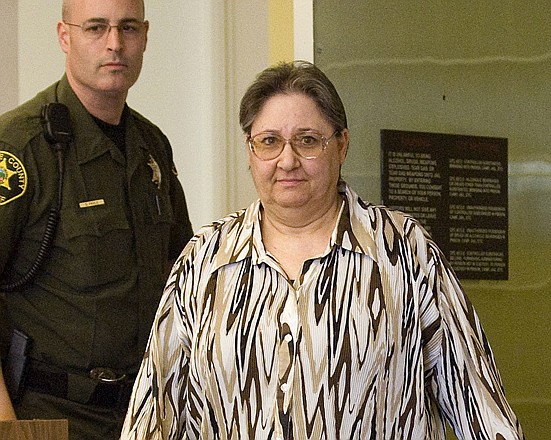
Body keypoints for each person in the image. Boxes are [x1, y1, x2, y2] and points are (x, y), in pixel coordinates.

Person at [120, 61, 523, 439]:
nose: (287, 160)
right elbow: (154, 414)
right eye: (269, 142)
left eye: (308, 141)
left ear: (341, 145)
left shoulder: (405, 251)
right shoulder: (205, 259)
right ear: (250, 150)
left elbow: (481, 407)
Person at [0, 0, 193, 438]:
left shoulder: (150, 146)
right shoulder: (19, 147)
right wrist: (7, 429)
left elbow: (182, 277)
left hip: (147, 414)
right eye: (95, 28)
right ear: (64, 36)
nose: (114, 44)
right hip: (48, 417)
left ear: (145, 36)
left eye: (127, 28)